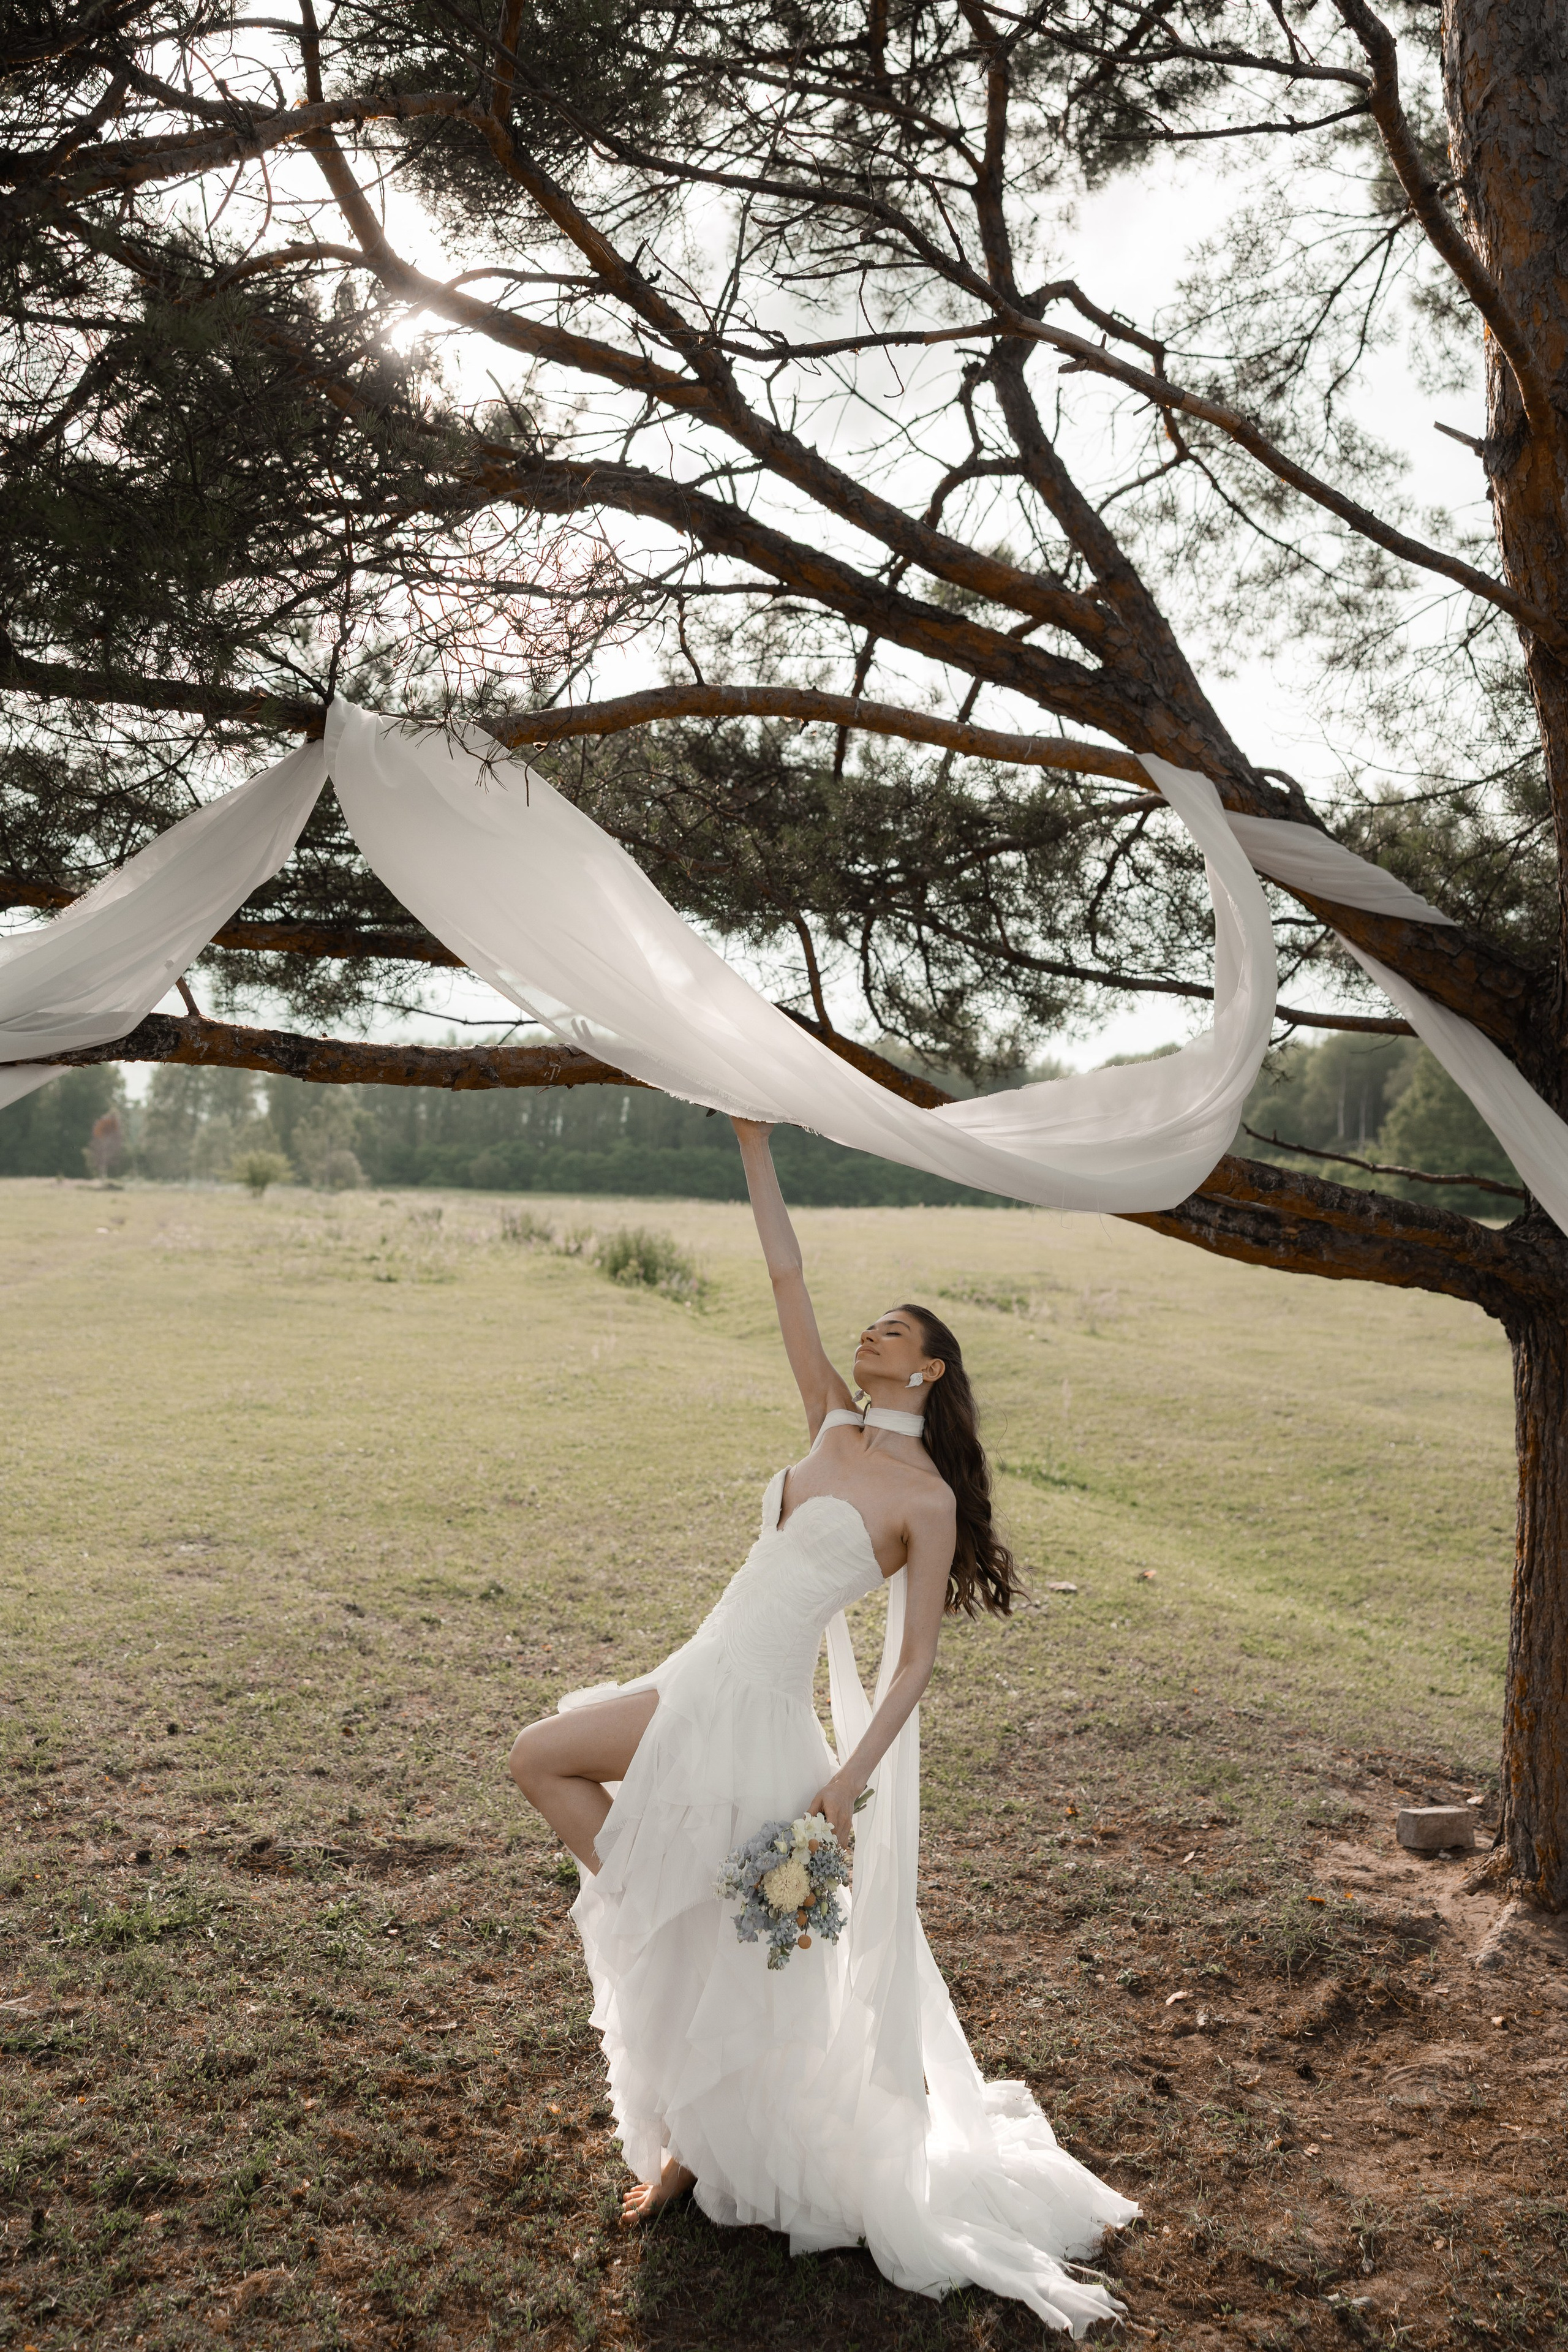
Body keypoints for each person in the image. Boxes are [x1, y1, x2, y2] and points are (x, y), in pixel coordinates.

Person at [508, 1121, 1135, 2334]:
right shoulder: (828, 1424)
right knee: (543, 1761)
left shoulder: (925, 1501)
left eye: (891, 1335)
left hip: (761, 1723)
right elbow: (784, 1274)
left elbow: (910, 1667)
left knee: (736, 1955)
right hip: (694, 1679)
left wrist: (845, 1780)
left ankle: (693, 2146)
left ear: (932, 1371)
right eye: (870, 1330)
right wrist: (753, 1141)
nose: (867, 1339)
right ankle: (679, 1893)